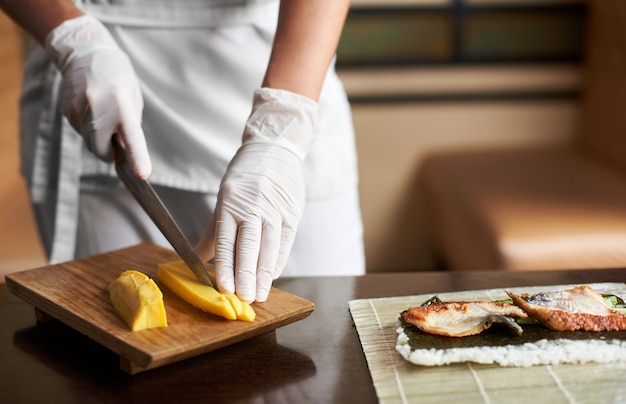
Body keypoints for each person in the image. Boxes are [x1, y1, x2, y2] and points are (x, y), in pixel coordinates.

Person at [0, 0, 365, 302]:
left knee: (324, 337)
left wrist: (281, 124)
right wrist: (72, 37)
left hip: (286, 66)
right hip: (96, 78)